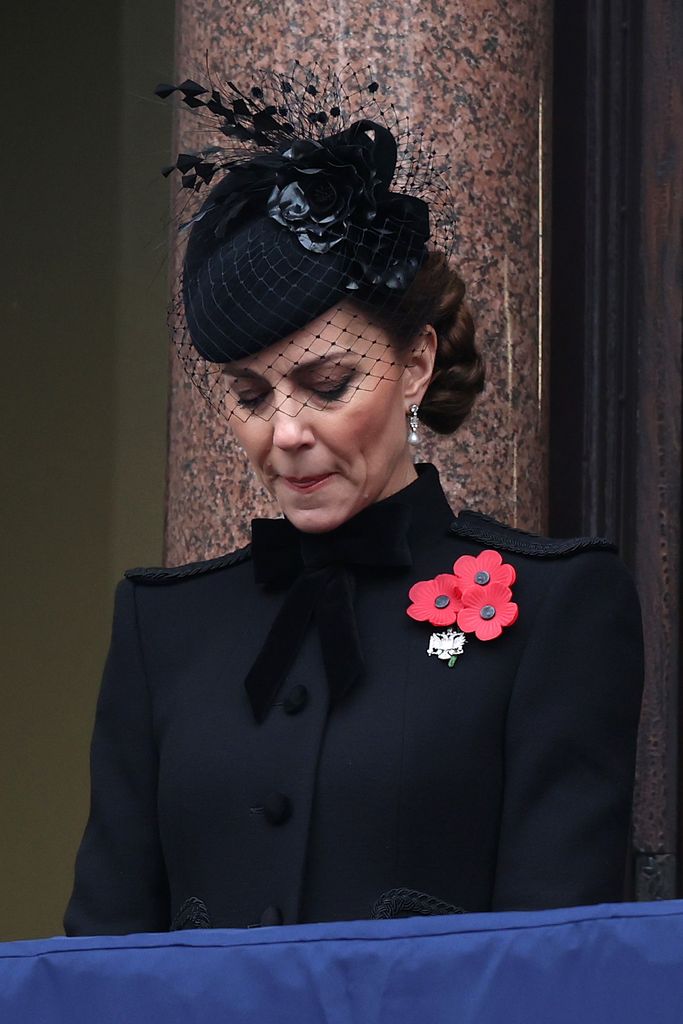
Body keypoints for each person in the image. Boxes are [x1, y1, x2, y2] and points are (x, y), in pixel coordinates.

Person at [64, 66, 644, 936]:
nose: (284, 432)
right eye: (252, 397)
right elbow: (103, 952)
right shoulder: (163, 628)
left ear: (415, 363)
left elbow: (552, 959)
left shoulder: (556, 607)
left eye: (326, 385)